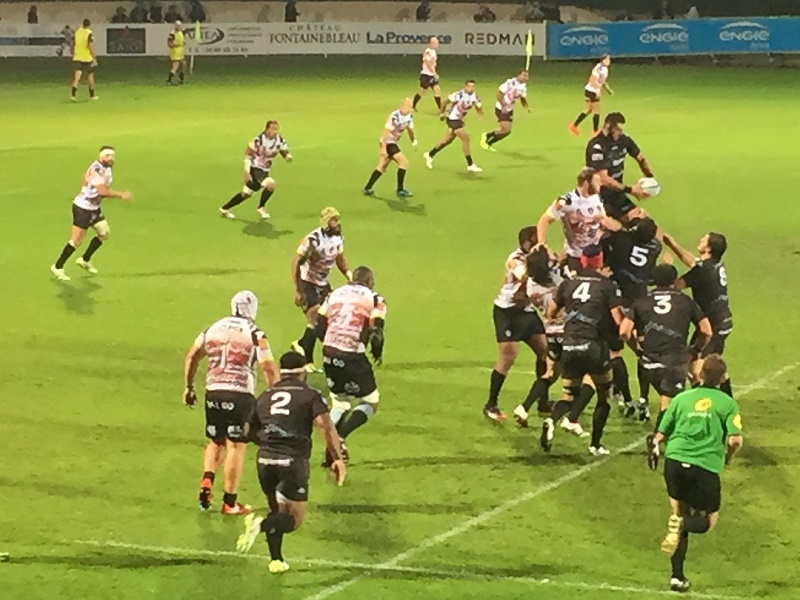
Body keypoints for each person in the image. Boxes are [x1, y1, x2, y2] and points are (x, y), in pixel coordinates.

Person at [235, 351, 346, 574]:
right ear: (303, 371)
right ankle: (260, 525)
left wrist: (269, 440)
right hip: (292, 461)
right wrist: (337, 458)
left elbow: (246, 431)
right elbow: (325, 426)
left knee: (276, 510)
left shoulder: (266, 395)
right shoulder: (310, 395)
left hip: (265, 460)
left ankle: (276, 560)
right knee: (292, 520)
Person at [183, 291, 281, 515]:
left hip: (213, 391)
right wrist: (274, 397)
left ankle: (208, 478)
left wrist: (189, 387)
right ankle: (230, 502)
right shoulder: (256, 333)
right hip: (239, 394)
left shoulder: (213, 328)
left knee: (215, 440)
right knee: (236, 445)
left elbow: (191, 356)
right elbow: (267, 368)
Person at [652, 355, 743, 593]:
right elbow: (735, 440)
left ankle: (676, 576)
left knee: (678, 514)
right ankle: (681, 523)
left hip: (673, 462)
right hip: (704, 467)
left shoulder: (681, 399)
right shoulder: (727, 403)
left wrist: (654, 448)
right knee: (707, 521)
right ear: (723, 378)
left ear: (700, 375)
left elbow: (660, 433)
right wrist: (728, 457)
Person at [619, 263, 712, 465]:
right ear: (673, 280)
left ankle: (667, 437)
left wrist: (637, 349)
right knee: (670, 405)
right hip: (673, 362)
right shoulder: (686, 301)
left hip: (648, 364)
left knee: (665, 399)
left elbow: (624, 332)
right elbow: (706, 330)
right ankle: (658, 438)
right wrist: (694, 350)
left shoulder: (641, 301)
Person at [542, 244, 624, 455]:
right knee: (604, 394)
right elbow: (617, 319)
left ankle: (551, 421)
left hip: (569, 345)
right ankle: (595, 444)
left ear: (583, 261)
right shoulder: (607, 285)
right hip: (594, 346)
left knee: (568, 395)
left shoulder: (568, 284)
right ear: (599, 260)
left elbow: (551, 313)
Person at [316, 266, 386, 463]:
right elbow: (377, 331)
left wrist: (331, 344)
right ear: (370, 282)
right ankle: (340, 437)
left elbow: (319, 325)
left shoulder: (334, 294)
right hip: (352, 355)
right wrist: (377, 352)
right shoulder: (375, 299)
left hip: (329, 351)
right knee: (371, 402)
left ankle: (331, 451)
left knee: (340, 402)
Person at [485, 227, 548, 421]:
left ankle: (543, 401)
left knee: (545, 351)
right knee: (508, 357)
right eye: (537, 239)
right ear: (528, 241)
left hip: (525, 311)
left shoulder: (537, 255)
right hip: (507, 311)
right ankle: (491, 404)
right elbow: (527, 278)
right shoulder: (516, 259)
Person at [602, 216, 661, 419]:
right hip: (641, 304)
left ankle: (625, 398)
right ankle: (643, 400)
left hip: (618, 302)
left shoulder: (621, 242)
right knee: (642, 352)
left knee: (614, 353)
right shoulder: (655, 247)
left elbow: (606, 228)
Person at [662, 232, 733, 395]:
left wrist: (668, 267)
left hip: (713, 325)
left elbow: (675, 286)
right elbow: (693, 262)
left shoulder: (701, 270)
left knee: (697, 367)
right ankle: (725, 398)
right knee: (708, 363)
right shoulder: (714, 264)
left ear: (708, 248)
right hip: (722, 320)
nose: (699, 240)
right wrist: (673, 245)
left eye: (703, 239)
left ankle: (705, 401)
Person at [50, 147, 132, 281]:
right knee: (77, 240)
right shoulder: (97, 170)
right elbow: (103, 192)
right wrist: (121, 195)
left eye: (112, 156)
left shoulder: (106, 168)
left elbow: (86, 178)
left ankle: (84, 259)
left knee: (104, 233)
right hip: (83, 208)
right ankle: (57, 266)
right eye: (108, 156)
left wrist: (85, 188)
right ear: (101, 157)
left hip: (94, 207)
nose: (111, 158)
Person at [291, 208, 351, 371]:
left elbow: (339, 258)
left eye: (337, 220)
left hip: (323, 284)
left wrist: (349, 275)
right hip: (307, 283)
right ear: (326, 222)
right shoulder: (313, 240)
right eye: (334, 220)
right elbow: (297, 262)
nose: (337, 223)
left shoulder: (338, 238)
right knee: (315, 317)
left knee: (326, 321)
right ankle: (307, 359)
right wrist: (298, 290)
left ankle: (301, 344)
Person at [535, 167, 614, 272]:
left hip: (597, 254)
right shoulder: (567, 202)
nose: (601, 184)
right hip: (577, 257)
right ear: (586, 182)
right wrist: (542, 245)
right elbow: (544, 221)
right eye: (597, 181)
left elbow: (603, 221)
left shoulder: (596, 198)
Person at [585, 112, 653, 222]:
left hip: (617, 196)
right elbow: (604, 179)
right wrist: (630, 190)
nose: (620, 133)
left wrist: (649, 177)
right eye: (618, 130)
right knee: (609, 234)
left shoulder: (624, 140)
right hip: (597, 199)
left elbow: (641, 158)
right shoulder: (597, 145)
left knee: (643, 224)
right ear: (607, 126)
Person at [219, 121, 292, 220]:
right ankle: (261, 207)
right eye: (273, 129)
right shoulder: (258, 140)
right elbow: (248, 154)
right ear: (267, 129)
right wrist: (247, 171)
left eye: (276, 129)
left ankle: (224, 209)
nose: (275, 132)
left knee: (246, 194)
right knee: (270, 184)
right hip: (255, 168)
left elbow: (282, 150)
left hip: (264, 170)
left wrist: (286, 156)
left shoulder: (279, 139)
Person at [424, 80, 484, 173]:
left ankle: (430, 154)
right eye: (468, 86)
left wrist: (479, 114)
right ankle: (470, 164)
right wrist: (442, 113)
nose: (470, 88)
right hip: (452, 119)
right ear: (465, 86)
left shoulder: (475, 97)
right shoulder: (458, 95)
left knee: (447, 140)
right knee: (466, 138)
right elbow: (444, 102)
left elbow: (478, 107)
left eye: (472, 87)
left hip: (459, 120)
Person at [363, 97, 417, 199]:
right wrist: (383, 149)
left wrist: (413, 140)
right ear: (402, 105)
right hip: (388, 142)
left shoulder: (409, 116)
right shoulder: (395, 116)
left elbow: (410, 129)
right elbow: (385, 133)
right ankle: (400, 190)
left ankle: (367, 188)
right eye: (406, 105)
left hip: (392, 142)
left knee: (382, 167)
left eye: (410, 106)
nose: (408, 108)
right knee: (403, 163)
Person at [480, 69, 531, 152]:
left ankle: (488, 142)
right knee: (506, 130)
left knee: (506, 132)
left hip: (509, 109)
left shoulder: (523, 87)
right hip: (501, 109)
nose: (526, 78)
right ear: (519, 75)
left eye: (527, 76)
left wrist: (526, 107)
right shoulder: (510, 83)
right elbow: (499, 93)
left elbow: (522, 98)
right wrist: (503, 104)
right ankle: (487, 136)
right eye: (524, 75)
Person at [569, 54, 613, 137]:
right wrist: (596, 90)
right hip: (592, 91)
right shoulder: (601, 69)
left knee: (588, 110)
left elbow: (602, 81)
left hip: (589, 90)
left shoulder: (603, 68)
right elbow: (592, 79)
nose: (608, 61)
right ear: (602, 60)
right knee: (596, 111)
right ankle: (595, 131)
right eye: (607, 60)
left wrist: (608, 89)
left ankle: (574, 126)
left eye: (609, 60)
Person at [70, 19, 98, 101]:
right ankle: (92, 95)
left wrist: (72, 51)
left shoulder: (77, 32)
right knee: (90, 75)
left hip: (77, 56)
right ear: (89, 25)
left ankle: (73, 95)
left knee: (77, 77)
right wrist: (94, 57)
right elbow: (90, 45)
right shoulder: (89, 33)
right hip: (87, 58)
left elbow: (73, 42)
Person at [412, 37, 441, 112]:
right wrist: (434, 73)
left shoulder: (433, 51)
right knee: (421, 91)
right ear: (431, 43)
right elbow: (428, 63)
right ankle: (413, 105)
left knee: (437, 90)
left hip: (431, 75)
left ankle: (440, 108)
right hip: (426, 75)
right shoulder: (428, 51)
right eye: (435, 42)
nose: (437, 44)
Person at [166, 20, 186, 85]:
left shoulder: (180, 32)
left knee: (182, 66)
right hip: (175, 52)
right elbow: (169, 44)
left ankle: (181, 80)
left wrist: (183, 43)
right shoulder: (172, 34)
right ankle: (169, 80)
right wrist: (178, 44)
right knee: (175, 66)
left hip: (180, 52)